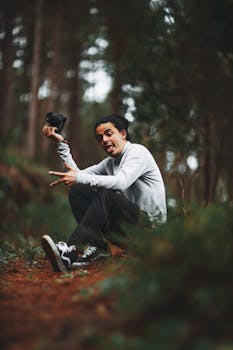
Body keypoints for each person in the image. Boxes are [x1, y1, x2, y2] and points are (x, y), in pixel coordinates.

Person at [41, 114, 167, 272]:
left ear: (123, 133)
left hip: (149, 231)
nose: (104, 140)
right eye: (100, 137)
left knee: (107, 196)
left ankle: (72, 249)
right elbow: (76, 174)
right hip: (126, 229)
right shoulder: (109, 163)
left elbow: (121, 182)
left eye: (109, 133)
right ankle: (99, 248)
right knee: (78, 191)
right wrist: (60, 144)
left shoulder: (137, 152)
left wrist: (79, 177)